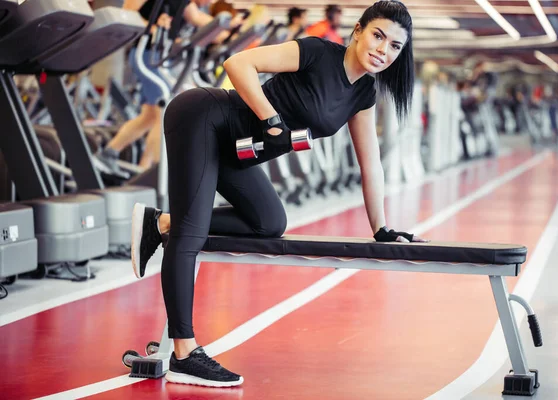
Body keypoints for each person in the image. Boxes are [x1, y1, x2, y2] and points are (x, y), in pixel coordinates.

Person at [130, 0, 426, 388]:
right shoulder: (318, 53)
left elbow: (371, 164)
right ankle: (184, 353)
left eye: (394, 47)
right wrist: (272, 120)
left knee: (270, 224)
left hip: (235, 153)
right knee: (192, 233)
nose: (383, 51)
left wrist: (381, 227)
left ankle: (160, 222)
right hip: (205, 118)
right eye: (378, 36)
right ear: (358, 31)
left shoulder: (363, 94)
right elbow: (238, 63)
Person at [96, 0, 215, 174]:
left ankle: (109, 154)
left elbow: (196, 17)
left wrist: (226, 25)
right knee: (166, 112)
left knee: (150, 116)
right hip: (147, 54)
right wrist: (153, 28)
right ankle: (155, 171)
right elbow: (127, 13)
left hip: (161, 55)